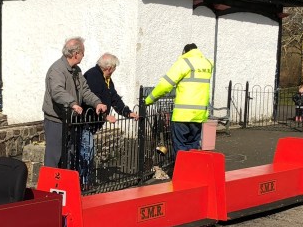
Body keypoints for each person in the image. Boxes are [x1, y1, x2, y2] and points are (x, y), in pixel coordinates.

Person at [43, 37, 107, 168]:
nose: (84, 55)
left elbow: (85, 91)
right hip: (56, 120)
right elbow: (57, 91)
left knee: (69, 157)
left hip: (71, 121)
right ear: (76, 54)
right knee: (54, 158)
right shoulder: (57, 69)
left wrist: (97, 103)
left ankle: (65, 187)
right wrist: (72, 103)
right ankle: (49, 188)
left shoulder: (77, 71)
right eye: (83, 52)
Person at [77, 53, 140, 185]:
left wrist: (127, 113)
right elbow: (90, 102)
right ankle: (83, 183)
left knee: (88, 151)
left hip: (92, 123)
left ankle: (84, 182)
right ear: (109, 68)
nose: (114, 71)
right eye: (114, 68)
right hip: (85, 122)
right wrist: (104, 116)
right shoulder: (93, 77)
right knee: (87, 152)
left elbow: (114, 98)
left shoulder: (106, 79)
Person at [144, 43, 213, 152]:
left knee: (181, 148)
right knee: (193, 147)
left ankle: (182, 168)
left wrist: (148, 100)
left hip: (182, 114)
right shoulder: (208, 64)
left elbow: (165, 85)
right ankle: (191, 168)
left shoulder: (184, 62)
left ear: (185, 52)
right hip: (199, 115)